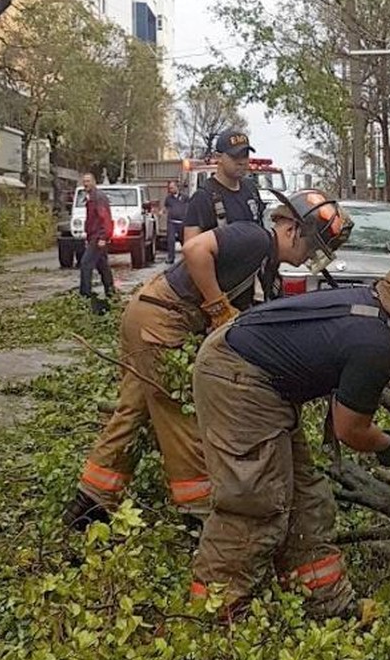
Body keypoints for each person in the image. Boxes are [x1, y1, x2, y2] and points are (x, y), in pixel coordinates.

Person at [188, 242, 390, 621]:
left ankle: (328, 606)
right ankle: (212, 616)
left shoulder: (381, 313)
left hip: (261, 380)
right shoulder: (374, 342)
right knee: (256, 502)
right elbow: (351, 429)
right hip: (236, 377)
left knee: (308, 502)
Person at [62, 189, 353, 531]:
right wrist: (217, 306)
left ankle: (88, 505)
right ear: (291, 230)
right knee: (186, 417)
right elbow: (195, 248)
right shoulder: (254, 238)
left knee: (134, 412)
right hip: (164, 320)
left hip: (148, 315)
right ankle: (201, 517)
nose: (310, 256)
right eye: (312, 246)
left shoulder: (266, 266)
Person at [183, 128, 264, 244]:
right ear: (218, 157)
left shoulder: (251, 189)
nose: (242, 162)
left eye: (245, 155)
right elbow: (191, 249)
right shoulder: (203, 197)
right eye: (235, 156)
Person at [79, 172, 115, 301]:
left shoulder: (98, 198)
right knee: (102, 265)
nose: (86, 184)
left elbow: (105, 218)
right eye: (84, 181)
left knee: (85, 264)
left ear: (94, 182)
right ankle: (111, 292)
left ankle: (85, 295)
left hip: (98, 236)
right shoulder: (90, 198)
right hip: (93, 236)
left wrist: (103, 237)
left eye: (88, 181)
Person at [164, 180, 188, 264]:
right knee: (171, 240)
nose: (171, 189)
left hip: (182, 222)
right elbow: (166, 208)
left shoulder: (185, 197)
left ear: (177, 187)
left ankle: (187, 257)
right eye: (169, 188)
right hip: (172, 222)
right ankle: (171, 258)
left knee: (183, 240)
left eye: (172, 188)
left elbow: (189, 206)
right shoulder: (168, 198)